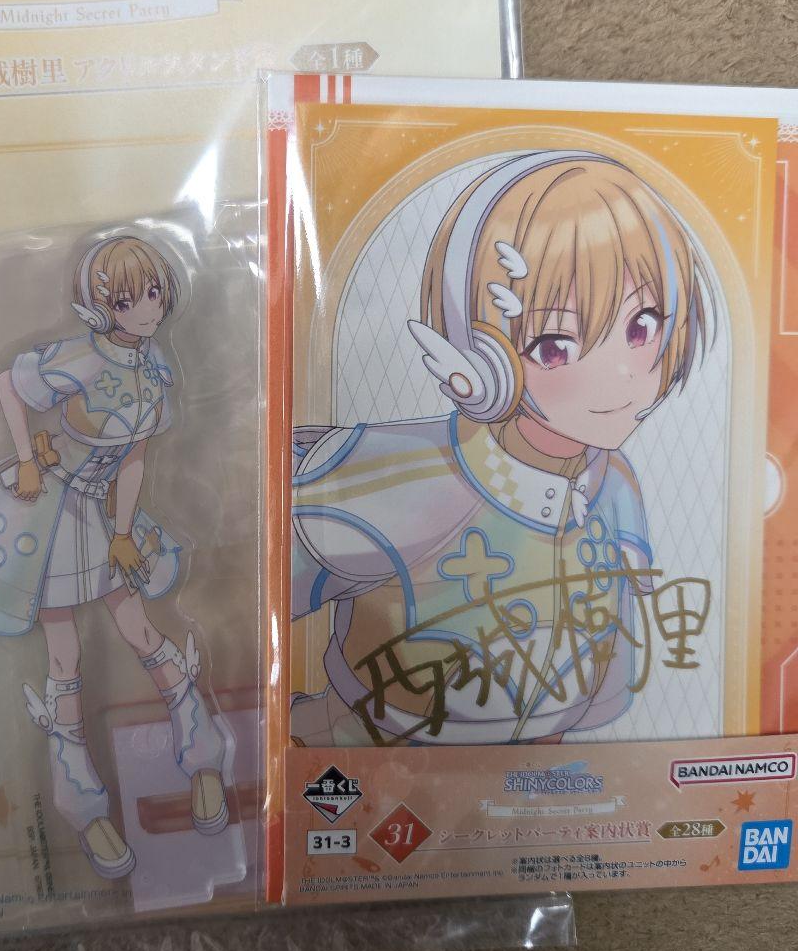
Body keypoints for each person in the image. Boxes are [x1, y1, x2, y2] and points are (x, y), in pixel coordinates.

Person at [291, 151, 715, 747]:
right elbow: (258, 598)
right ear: (477, 358)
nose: (624, 375)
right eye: (556, 345)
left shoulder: (612, 480)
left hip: (535, 764)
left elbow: (607, 626)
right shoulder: (407, 476)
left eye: (642, 326)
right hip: (372, 748)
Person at [0, 235, 228, 880]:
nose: (147, 309)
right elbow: (10, 383)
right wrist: (26, 459)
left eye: (154, 293)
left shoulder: (153, 370)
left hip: (101, 514)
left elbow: (134, 460)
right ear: (100, 304)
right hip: (47, 512)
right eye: (128, 299)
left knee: (141, 630)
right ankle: (82, 806)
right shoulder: (82, 357)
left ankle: (203, 761)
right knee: (65, 656)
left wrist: (122, 531)